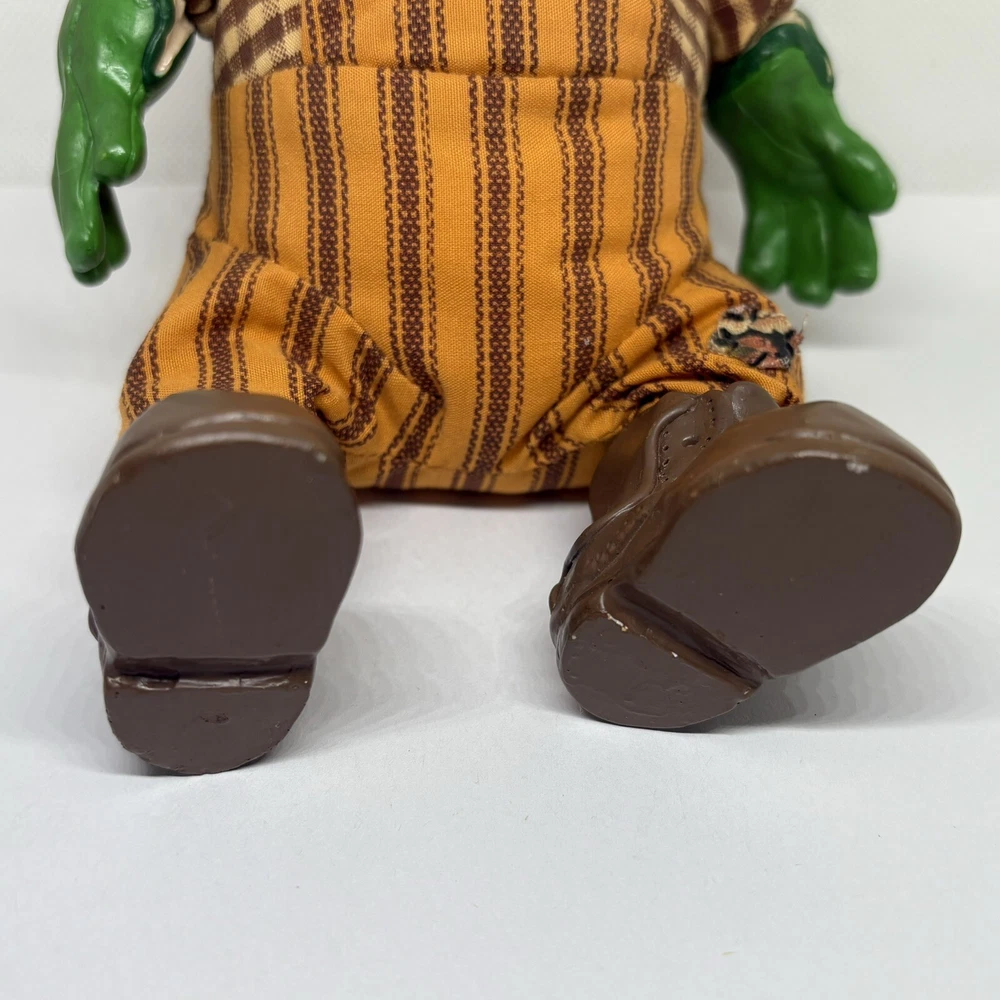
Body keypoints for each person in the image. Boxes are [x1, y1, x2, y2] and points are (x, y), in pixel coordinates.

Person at [54, 0, 960, 773]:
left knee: (710, 361)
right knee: (236, 360)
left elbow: (752, 28)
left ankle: (702, 501)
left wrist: (777, 89)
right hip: (304, 319)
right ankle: (220, 505)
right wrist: (106, 35)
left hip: (627, 331)